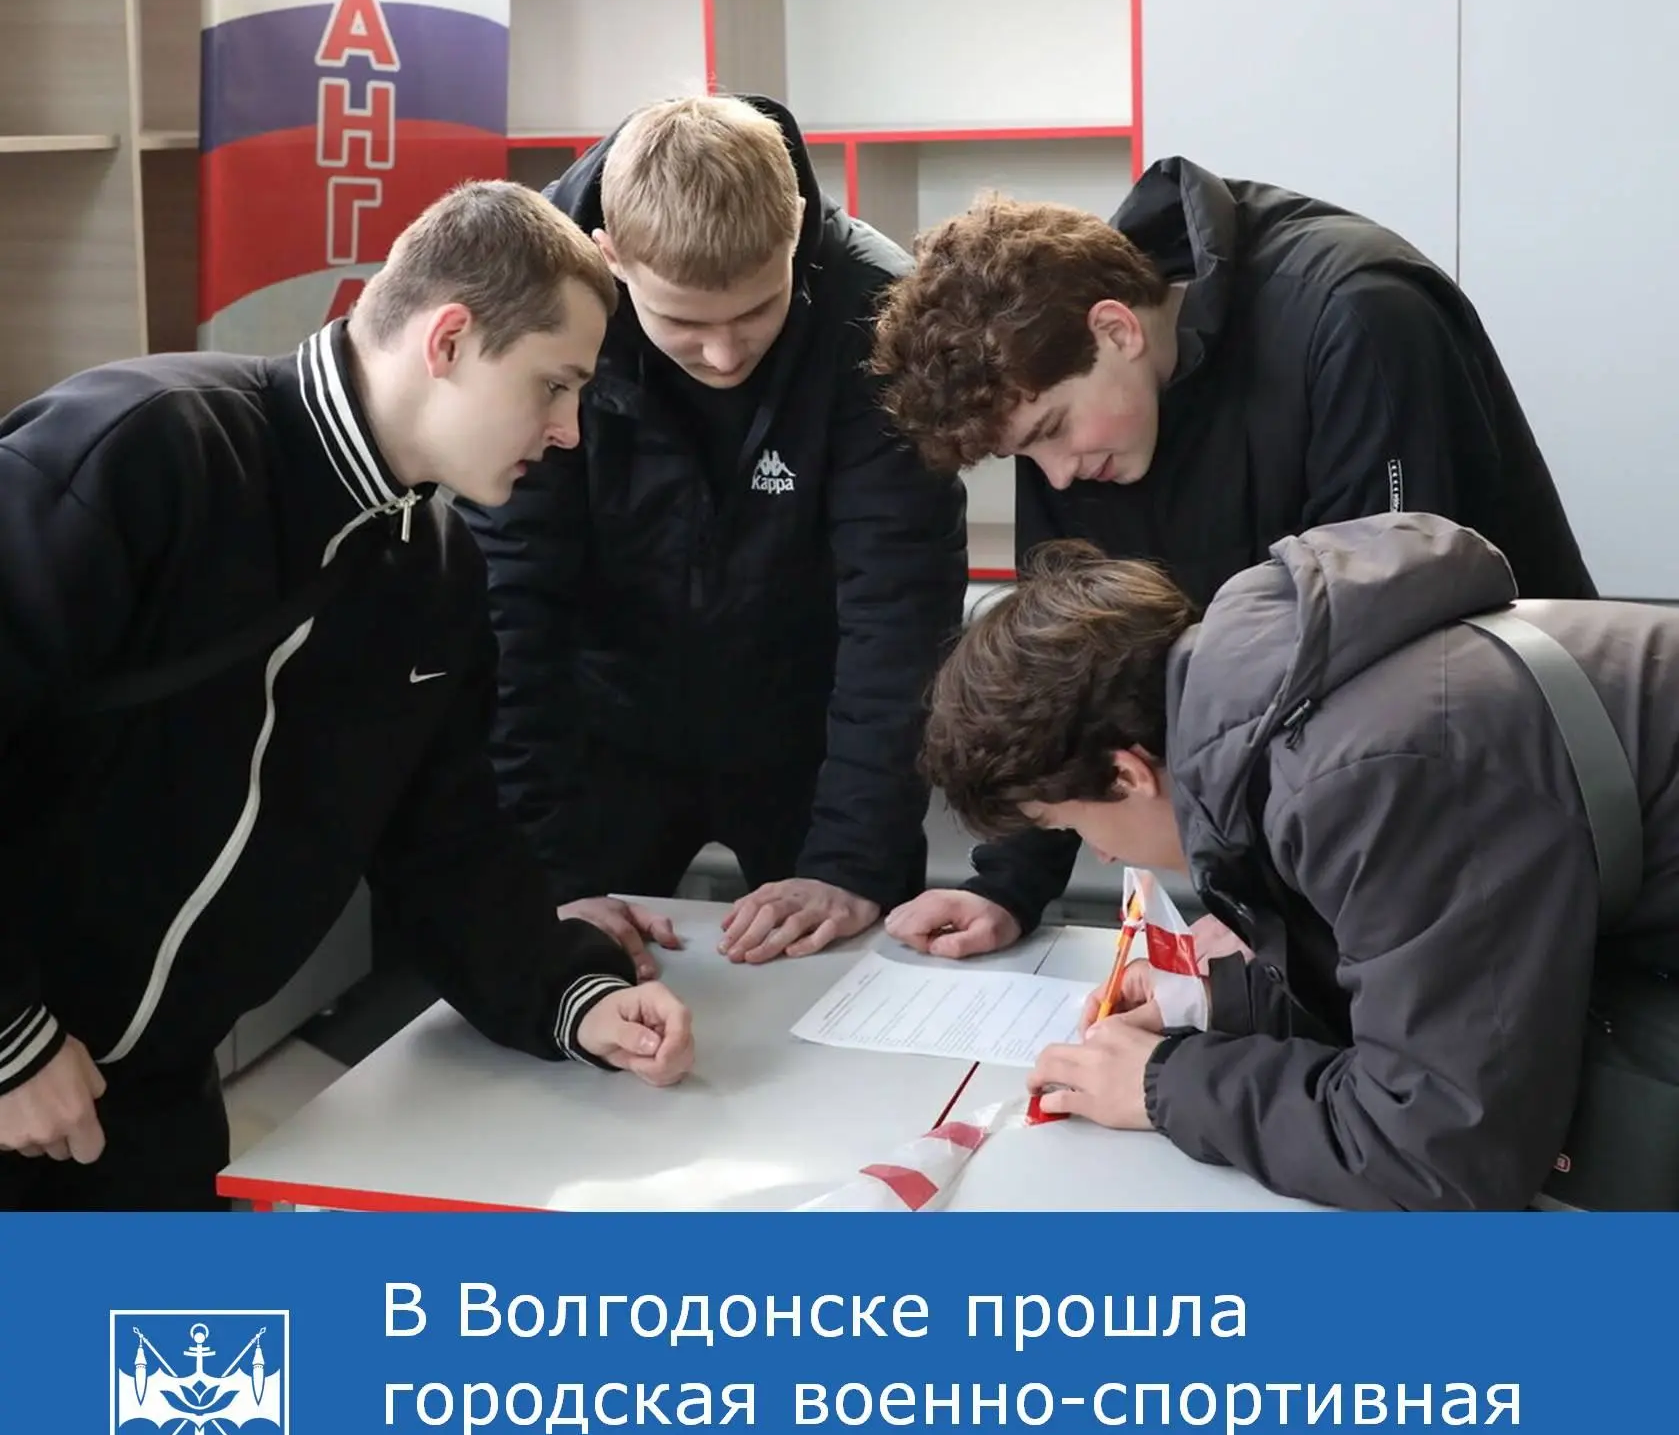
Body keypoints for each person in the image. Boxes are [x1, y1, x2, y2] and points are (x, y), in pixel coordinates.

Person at [0, 181, 695, 1212]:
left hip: (145, 1104)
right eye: (554, 385)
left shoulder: (436, 566)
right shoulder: (149, 447)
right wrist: (11, 1041)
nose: (568, 431)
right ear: (449, 339)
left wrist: (568, 992)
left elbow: (444, 838)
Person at [871, 156, 1598, 962]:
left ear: (1115, 330)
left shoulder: (1356, 315)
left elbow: (1393, 662)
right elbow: (1060, 683)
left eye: (1050, 431)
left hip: (1519, 781)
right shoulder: (1074, 421)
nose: (1057, 476)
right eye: (1024, 455)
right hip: (1341, 832)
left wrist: (1277, 913)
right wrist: (1006, 886)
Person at [916, 515, 1679, 1211]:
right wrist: (1223, 1003)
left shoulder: (1370, 773)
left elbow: (1439, 1154)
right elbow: (1434, 962)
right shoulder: (1298, 699)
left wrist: (1162, 1085)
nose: (1103, 853)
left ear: (1125, 774)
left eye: (1070, 825)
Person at [454, 94, 966, 968]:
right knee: (575, 978)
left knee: (847, 982)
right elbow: (509, 603)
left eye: (756, 311)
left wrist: (850, 860)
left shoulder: (882, 312)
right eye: (685, 323)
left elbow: (899, 611)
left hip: (814, 729)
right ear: (610, 258)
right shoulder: (536, 311)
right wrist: (545, 871)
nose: (724, 356)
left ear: (794, 228)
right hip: (600, 731)